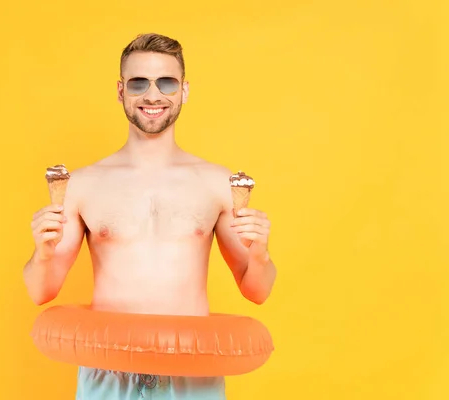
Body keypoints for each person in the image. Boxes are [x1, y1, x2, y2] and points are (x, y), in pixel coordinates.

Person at [23, 33, 277, 400]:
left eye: (166, 82)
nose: (153, 96)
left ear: (184, 91)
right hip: (108, 372)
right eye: (138, 82)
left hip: (192, 371)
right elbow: (39, 291)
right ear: (120, 90)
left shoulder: (215, 182)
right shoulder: (84, 184)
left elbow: (257, 290)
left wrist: (261, 253)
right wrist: (43, 252)